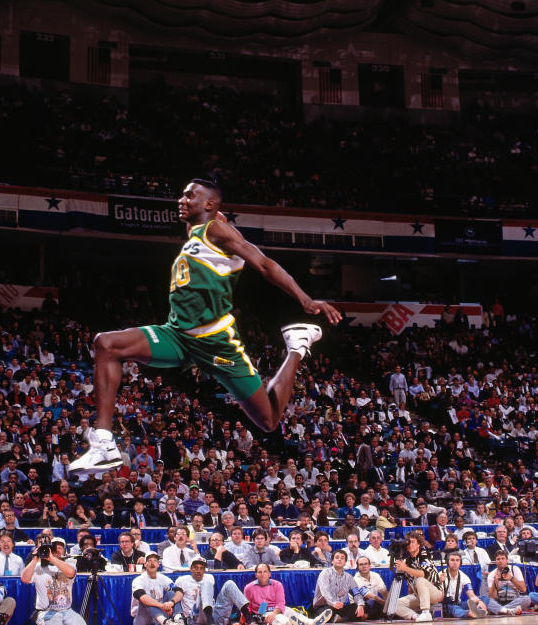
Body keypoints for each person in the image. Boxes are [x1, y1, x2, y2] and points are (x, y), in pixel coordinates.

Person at [70, 179, 340, 474]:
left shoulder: (217, 230)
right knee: (107, 344)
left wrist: (305, 299)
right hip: (177, 335)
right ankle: (104, 444)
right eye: (182, 194)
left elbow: (264, 264)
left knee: (269, 420)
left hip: (215, 343)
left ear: (210, 205)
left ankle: (297, 346)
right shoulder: (195, 234)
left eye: (190, 195)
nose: (181, 200)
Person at [21, 537, 84, 625]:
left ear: (65, 551)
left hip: (67, 611)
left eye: (60, 548)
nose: (57, 550)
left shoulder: (70, 563)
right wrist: (34, 558)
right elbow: (24, 579)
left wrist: (52, 559)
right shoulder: (38, 566)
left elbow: (71, 572)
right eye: (54, 547)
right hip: (46, 611)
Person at [243, 563, 326, 625]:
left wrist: (274, 612)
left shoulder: (277, 584)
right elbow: (246, 607)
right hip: (262, 614)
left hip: (276, 609)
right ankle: (290, 622)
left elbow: (280, 603)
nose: (262, 574)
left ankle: (312, 622)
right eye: (259, 572)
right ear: (256, 575)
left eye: (265, 572)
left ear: (269, 574)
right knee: (282, 620)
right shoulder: (249, 587)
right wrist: (247, 620)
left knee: (290, 611)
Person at [392, 532, 443, 622]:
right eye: (408, 542)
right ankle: (415, 616)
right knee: (394, 604)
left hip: (436, 592)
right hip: (419, 595)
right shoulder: (407, 561)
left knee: (420, 580)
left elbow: (424, 574)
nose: (410, 544)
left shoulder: (425, 554)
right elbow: (410, 585)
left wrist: (405, 568)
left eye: (412, 542)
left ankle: (426, 613)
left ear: (418, 544)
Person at [130, 553, 184, 625]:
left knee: (172, 593)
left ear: (158, 564)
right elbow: (142, 597)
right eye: (149, 561)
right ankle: (165, 622)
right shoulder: (138, 580)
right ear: (145, 564)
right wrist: (162, 606)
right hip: (142, 617)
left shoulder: (162, 578)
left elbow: (179, 591)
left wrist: (171, 603)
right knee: (146, 599)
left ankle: (178, 619)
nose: (152, 563)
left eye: (155, 561)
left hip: (159, 615)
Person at [312, 550, 366, 621]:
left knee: (361, 606)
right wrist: (333, 603)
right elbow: (325, 592)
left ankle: (340, 619)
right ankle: (342, 618)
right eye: (337, 557)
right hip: (323, 606)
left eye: (342, 558)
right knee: (328, 612)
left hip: (340, 608)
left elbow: (356, 593)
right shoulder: (325, 573)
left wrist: (360, 605)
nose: (339, 559)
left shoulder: (348, 577)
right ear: (332, 561)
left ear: (345, 562)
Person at [438, 551, 487, 619]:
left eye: (457, 560)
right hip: (445, 605)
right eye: (452, 560)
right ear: (447, 562)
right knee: (454, 608)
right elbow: (438, 598)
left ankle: (477, 611)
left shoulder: (464, 577)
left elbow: (471, 595)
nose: (455, 562)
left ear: (460, 563)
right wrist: (440, 582)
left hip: (458, 603)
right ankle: (469, 613)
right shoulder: (440, 575)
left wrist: (479, 601)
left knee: (484, 598)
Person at [482, 551, 530, 616]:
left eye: (503, 558)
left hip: (514, 600)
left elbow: (523, 589)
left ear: (507, 560)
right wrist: (494, 583)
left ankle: (500, 610)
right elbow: (492, 597)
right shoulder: (492, 574)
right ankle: (508, 610)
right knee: (485, 599)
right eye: (498, 559)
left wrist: (511, 579)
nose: (500, 561)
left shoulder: (515, 569)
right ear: (495, 561)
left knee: (527, 599)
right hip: (499, 602)